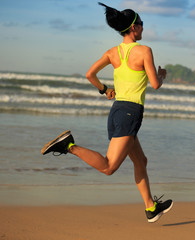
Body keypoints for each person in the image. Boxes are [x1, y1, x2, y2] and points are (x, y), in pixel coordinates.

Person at [41, 2, 173, 223]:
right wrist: (162, 76)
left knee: (141, 161)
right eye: (141, 24)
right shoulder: (144, 51)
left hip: (118, 111)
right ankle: (68, 146)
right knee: (109, 167)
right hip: (130, 113)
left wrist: (104, 90)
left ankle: (151, 207)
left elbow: (90, 74)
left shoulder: (112, 52)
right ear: (133, 27)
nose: (143, 28)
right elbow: (155, 84)